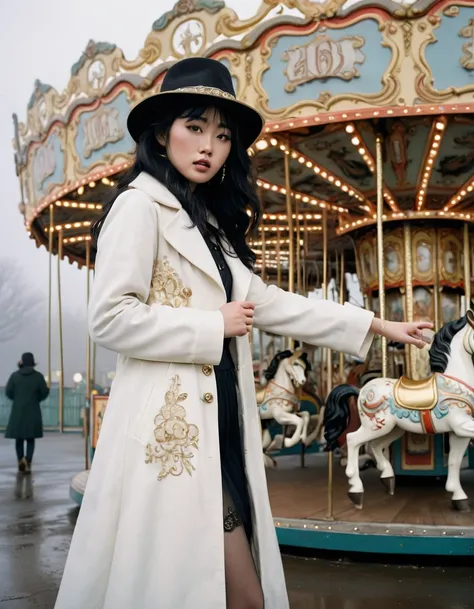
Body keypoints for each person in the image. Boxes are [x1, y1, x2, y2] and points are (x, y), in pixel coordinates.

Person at [54, 57, 431, 609]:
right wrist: (213, 326)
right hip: (171, 434)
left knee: (228, 589)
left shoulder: (208, 224)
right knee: (210, 590)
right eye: (195, 127)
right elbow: (110, 317)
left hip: (222, 425)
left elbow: (273, 303)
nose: (209, 146)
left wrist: (376, 322)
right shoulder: (139, 208)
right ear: (162, 135)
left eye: (222, 135)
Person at [5, 352, 49, 473]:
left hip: (18, 411)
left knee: (19, 439)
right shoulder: (38, 376)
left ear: (22, 362)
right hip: (33, 410)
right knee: (30, 438)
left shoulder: (15, 376)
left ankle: (20, 460)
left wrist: (18, 399)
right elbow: (45, 392)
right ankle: (27, 460)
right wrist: (36, 399)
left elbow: (8, 392)